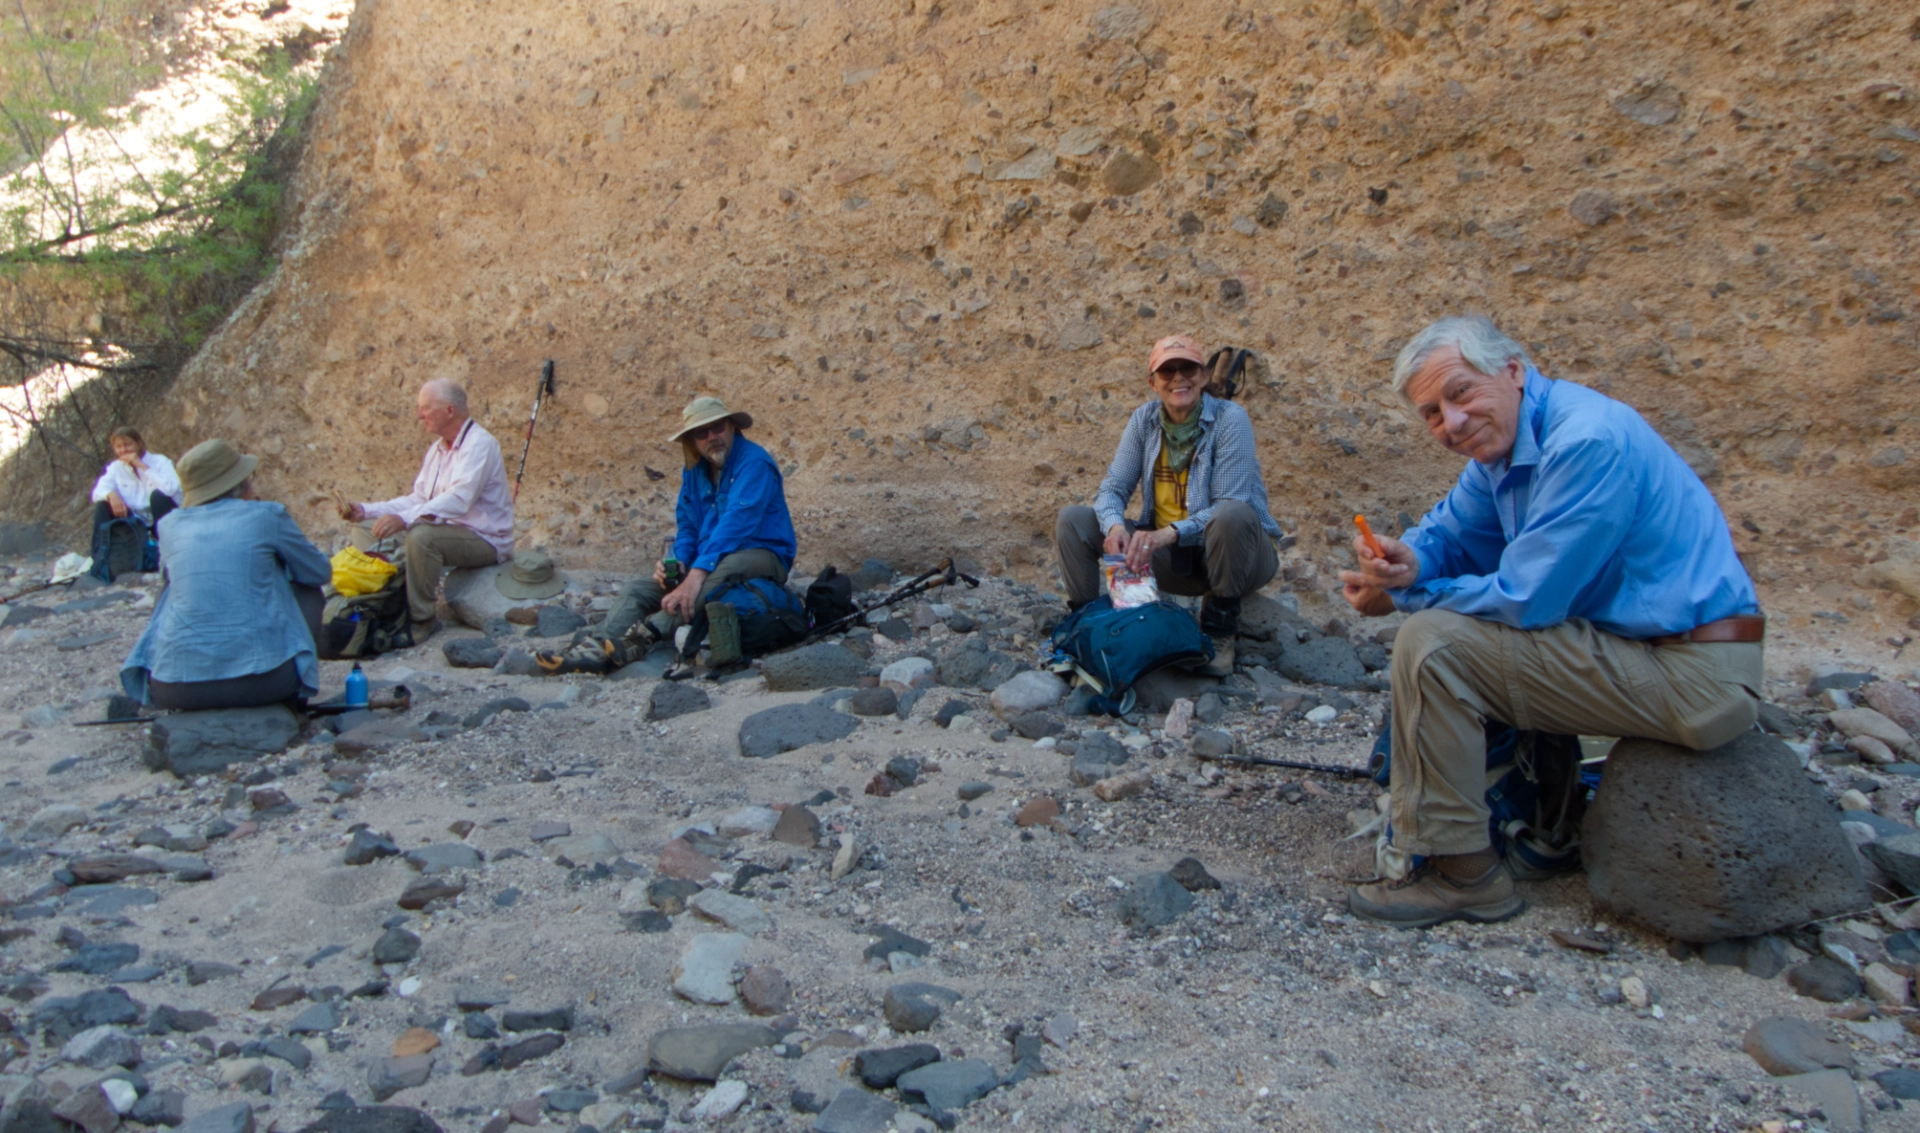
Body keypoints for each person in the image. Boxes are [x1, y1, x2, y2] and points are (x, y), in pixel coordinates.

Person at [1338, 315, 1764, 928]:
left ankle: (1464, 875)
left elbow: (1527, 598)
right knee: (1448, 627)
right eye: (1431, 412)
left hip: (1694, 673)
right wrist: (1406, 562)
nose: (1450, 422)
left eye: (1460, 393)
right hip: (1642, 650)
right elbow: (1451, 532)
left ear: (1512, 370)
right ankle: (1535, 817)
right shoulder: (1505, 449)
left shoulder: (1585, 441)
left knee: (1434, 644)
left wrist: (1409, 598)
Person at [1055, 334, 1284, 671]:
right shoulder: (1144, 421)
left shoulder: (1230, 419)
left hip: (1240, 557)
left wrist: (1166, 534)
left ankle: (1219, 633)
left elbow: (1231, 502)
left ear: (1204, 376)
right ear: (1153, 383)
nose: (1179, 378)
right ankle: (1089, 626)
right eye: (1167, 371)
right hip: (1173, 561)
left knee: (1231, 514)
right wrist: (1116, 526)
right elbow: (1113, 488)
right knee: (1073, 520)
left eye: (1188, 368)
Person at [540, 396, 794, 676]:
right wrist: (679, 562)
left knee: (720, 574)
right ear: (693, 440)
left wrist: (696, 574)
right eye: (701, 432)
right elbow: (688, 527)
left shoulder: (754, 463)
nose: (712, 437)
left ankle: (643, 637)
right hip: (709, 560)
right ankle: (597, 647)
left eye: (718, 427)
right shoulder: (695, 471)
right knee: (638, 589)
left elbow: (737, 523)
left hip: (762, 556)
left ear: (732, 426)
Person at [122, 439, 332, 710]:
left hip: (173, 688)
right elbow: (319, 571)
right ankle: (292, 689)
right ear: (240, 484)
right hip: (267, 683)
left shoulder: (169, 525)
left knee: (171, 590)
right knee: (306, 588)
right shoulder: (266, 515)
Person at [331, 379, 513, 642]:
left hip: (485, 539)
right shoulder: (438, 449)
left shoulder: (480, 444)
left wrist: (404, 520)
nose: (419, 415)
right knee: (365, 529)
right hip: (445, 532)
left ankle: (423, 620)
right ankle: (389, 603)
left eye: (425, 408)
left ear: (449, 410)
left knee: (422, 536)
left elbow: (458, 500)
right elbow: (418, 498)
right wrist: (366, 511)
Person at [88, 427, 182, 579]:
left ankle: (173, 556)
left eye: (128, 445)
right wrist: (111, 494)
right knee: (103, 505)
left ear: (139, 443)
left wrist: (143, 467)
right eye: (119, 447)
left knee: (158, 496)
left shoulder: (160, 461)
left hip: (162, 514)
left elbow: (171, 488)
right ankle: (99, 561)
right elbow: (97, 492)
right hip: (136, 520)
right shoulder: (115, 468)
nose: (123, 450)